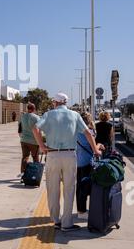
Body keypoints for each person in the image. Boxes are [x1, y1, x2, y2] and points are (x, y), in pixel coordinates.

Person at [33, 92, 102, 232]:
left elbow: (35, 128)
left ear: (55, 102)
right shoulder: (75, 115)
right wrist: (95, 150)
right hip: (70, 154)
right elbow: (88, 133)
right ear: (66, 102)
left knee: (53, 189)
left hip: (52, 155)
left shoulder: (49, 114)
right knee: (69, 190)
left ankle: (56, 220)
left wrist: (41, 145)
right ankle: (66, 223)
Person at [76, 113, 104, 219]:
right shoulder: (89, 131)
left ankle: (80, 210)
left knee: (79, 187)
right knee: (88, 187)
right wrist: (99, 145)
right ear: (89, 120)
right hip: (88, 162)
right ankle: (83, 212)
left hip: (78, 161)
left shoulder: (75, 130)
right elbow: (93, 148)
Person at [18, 103, 40, 177]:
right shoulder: (36, 117)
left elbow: (20, 127)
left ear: (27, 108)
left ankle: (22, 174)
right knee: (35, 157)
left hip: (24, 140)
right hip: (34, 141)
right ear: (34, 109)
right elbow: (39, 129)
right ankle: (35, 174)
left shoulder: (22, 116)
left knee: (25, 157)